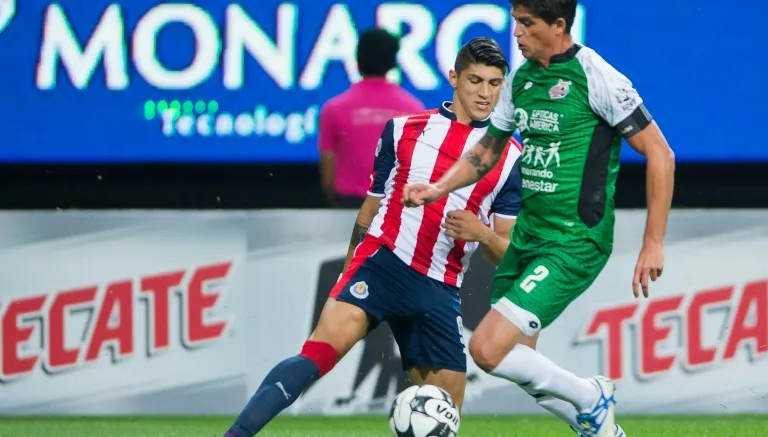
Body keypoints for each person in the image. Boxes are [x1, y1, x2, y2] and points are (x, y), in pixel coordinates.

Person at [223, 37, 522, 436]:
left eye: (495, 83)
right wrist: (348, 271)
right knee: (317, 355)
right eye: (475, 80)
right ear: (453, 77)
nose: (485, 93)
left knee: (442, 417)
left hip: (439, 289)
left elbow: (508, 254)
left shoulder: (510, 157)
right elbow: (369, 210)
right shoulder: (402, 130)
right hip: (382, 264)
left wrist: (481, 233)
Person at [402, 0, 675, 436]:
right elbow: (486, 151)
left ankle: (591, 396)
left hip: (574, 242)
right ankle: (602, 430)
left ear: (559, 25)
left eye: (527, 24)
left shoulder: (597, 76)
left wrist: (653, 242)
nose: (517, 33)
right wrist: (437, 188)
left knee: (486, 349)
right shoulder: (523, 78)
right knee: (517, 360)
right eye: (516, 22)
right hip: (529, 238)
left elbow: (660, 154)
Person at [318, 27, 425, 209]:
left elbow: (328, 170)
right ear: (393, 63)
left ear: (357, 60)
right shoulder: (413, 109)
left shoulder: (333, 109)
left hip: (348, 208)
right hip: (395, 210)